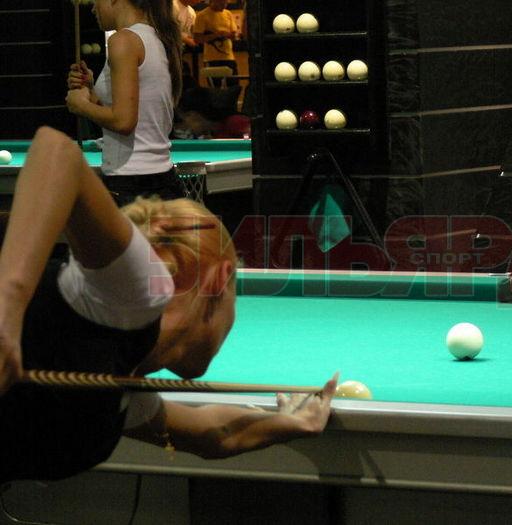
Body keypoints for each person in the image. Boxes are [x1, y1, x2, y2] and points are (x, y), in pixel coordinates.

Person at [0, 127, 337, 483]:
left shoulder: (123, 377)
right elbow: (57, 150)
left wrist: (291, 422)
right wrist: (7, 313)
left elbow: (214, 434)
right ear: (219, 280)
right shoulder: (137, 298)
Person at [66, 0, 185, 207]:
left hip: (130, 186)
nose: (93, 8)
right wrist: (92, 93)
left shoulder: (123, 40)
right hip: (161, 181)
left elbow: (123, 122)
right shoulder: (156, 37)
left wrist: (80, 105)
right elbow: (138, 114)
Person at [193, 0, 241, 87]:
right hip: (211, 59)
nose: (224, 6)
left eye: (226, 3)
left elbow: (234, 35)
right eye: (222, 3)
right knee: (215, 88)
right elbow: (197, 39)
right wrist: (215, 35)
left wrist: (226, 35)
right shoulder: (202, 15)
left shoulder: (228, 14)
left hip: (229, 57)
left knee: (234, 86)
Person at [177, 86, 251, 139]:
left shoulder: (235, 122)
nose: (186, 123)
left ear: (198, 115)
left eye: (187, 116)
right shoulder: (211, 133)